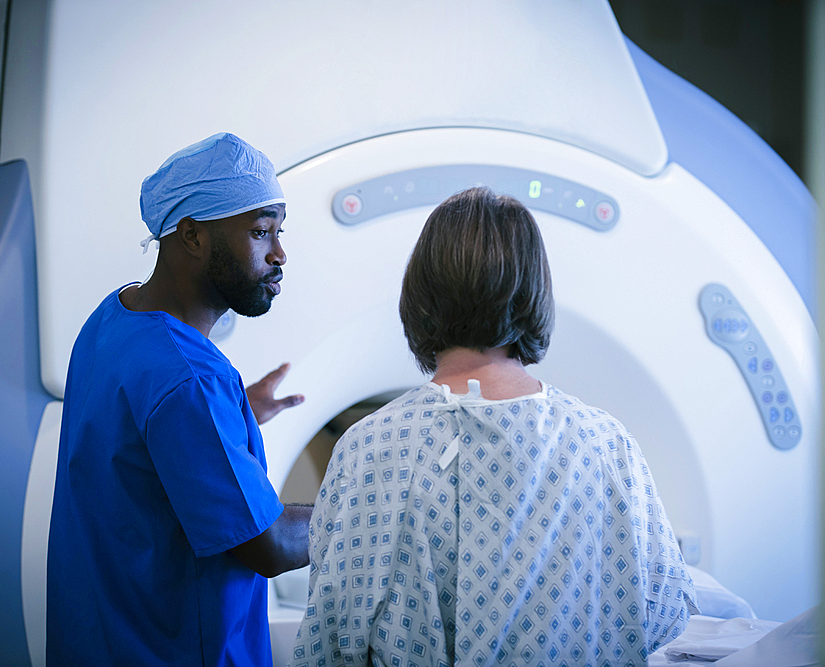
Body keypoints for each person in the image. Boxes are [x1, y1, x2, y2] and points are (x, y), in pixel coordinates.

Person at [290, 187, 698, 666]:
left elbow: (330, 639)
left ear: (420, 294)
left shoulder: (371, 447)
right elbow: (662, 614)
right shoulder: (606, 445)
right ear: (535, 292)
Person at [47, 133, 311, 666]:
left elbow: (136, 440)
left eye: (279, 232)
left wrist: (237, 416)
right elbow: (269, 547)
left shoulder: (112, 320)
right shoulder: (189, 380)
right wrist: (370, 506)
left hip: (100, 639)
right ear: (192, 236)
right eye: (261, 232)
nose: (280, 253)